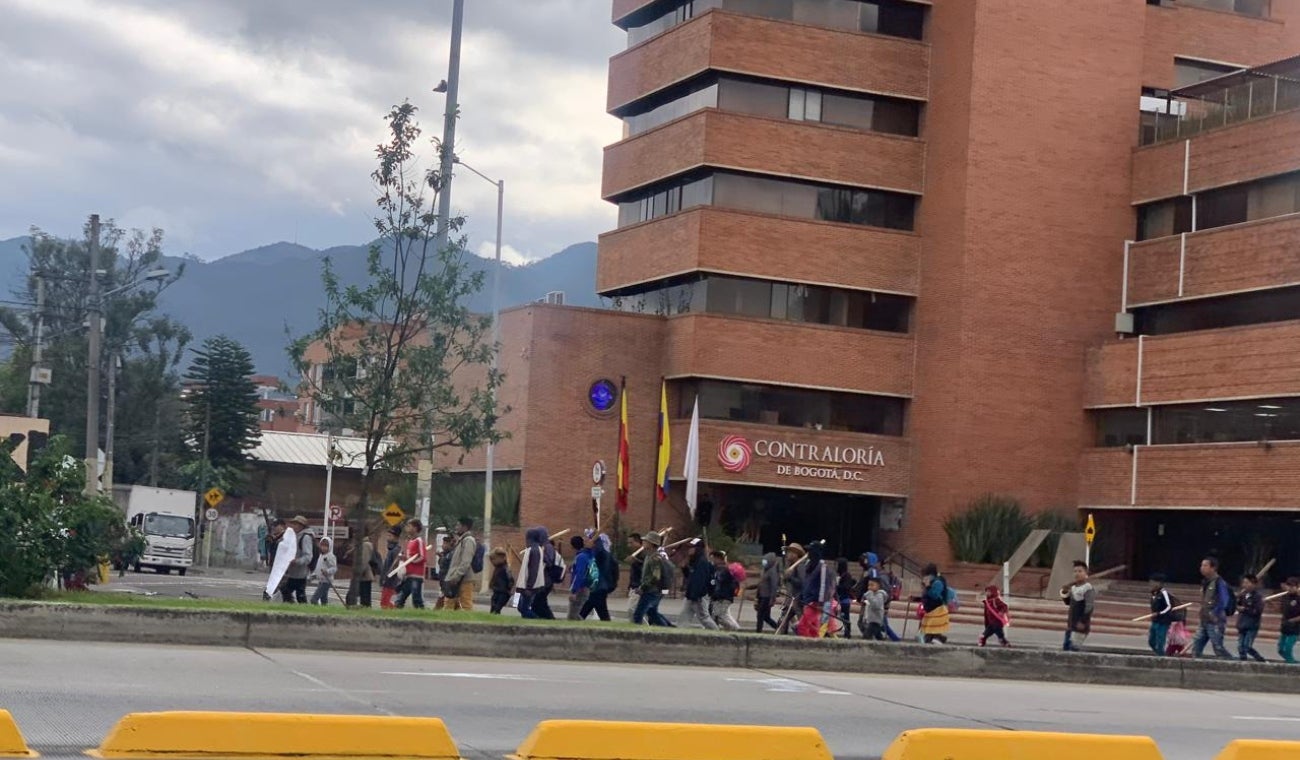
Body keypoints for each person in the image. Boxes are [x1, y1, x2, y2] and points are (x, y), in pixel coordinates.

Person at [1191, 556, 1233, 659]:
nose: (1202, 568)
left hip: (1215, 620)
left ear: (1213, 568)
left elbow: (1224, 600)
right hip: (1204, 619)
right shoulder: (1205, 582)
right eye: (1202, 565)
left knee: (1218, 647)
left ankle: (1232, 663)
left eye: (1205, 565)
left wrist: (1215, 612)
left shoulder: (1219, 583)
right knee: (1196, 646)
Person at [796, 543, 838, 638]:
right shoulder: (809, 566)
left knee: (803, 625)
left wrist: (821, 602)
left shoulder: (822, 567)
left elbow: (824, 585)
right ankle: (815, 642)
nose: (808, 554)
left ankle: (812, 643)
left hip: (816, 602)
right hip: (809, 599)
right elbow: (806, 583)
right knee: (810, 627)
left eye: (810, 551)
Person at [633, 531, 673, 627]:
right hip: (651, 590)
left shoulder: (655, 558)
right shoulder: (649, 556)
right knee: (652, 613)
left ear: (651, 543)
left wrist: (642, 587)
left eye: (645, 541)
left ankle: (636, 634)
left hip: (651, 591)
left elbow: (655, 576)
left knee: (638, 614)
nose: (643, 542)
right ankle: (668, 628)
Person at [580, 533, 619, 621]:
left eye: (587, 540)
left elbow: (598, 551)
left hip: (600, 585)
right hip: (598, 586)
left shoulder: (601, 554)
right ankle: (579, 619)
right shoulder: (596, 553)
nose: (585, 542)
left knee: (593, 607)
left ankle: (578, 620)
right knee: (599, 609)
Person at [445, 517, 479, 611]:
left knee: (466, 606)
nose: (456, 527)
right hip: (457, 578)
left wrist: (456, 576)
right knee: (450, 604)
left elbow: (466, 562)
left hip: (464, 579)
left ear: (464, 527)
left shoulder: (468, 540)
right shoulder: (461, 540)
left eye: (458, 525)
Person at [682, 542, 718, 629]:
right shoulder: (695, 562)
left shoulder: (702, 563)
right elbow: (690, 577)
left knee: (704, 617)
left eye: (692, 547)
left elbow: (699, 580)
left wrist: (695, 595)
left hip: (698, 595)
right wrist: (685, 569)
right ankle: (680, 632)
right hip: (692, 594)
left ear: (698, 549)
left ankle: (717, 632)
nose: (689, 549)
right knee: (684, 616)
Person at [394, 520, 428, 610]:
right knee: (400, 597)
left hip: (416, 575)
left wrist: (411, 561)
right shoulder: (409, 541)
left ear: (415, 528)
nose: (407, 528)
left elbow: (423, 557)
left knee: (416, 599)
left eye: (409, 526)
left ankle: (421, 614)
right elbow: (409, 556)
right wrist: (404, 558)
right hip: (408, 575)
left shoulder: (419, 541)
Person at [516, 527, 549, 619]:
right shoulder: (535, 549)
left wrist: (529, 587)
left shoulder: (533, 550)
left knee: (523, 608)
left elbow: (533, 569)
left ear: (529, 539)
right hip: (528, 585)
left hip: (530, 586)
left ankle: (538, 620)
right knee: (521, 607)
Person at [1061, 561, 1094, 651]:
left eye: (1080, 571)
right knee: (1066, 648)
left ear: (1086, 573)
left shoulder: (1088, 588)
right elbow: (1068, 603)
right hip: (1071, 625)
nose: (1077, 574)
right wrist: (1064, 592)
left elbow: (1089, 606)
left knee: (1073, 649)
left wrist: (1083, 621)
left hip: (1080, 626)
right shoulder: (1073, 588)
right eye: (1075, 571)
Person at [282, 515, 315, 604]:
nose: (293, 526)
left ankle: (301, 611)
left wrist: (297, 561)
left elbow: (308, 556)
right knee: (287, 591)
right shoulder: (295, 536)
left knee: (297, 594)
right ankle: (294, 608)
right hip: (294, 572)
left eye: (295, 524)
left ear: (301, 525)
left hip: (301, 573)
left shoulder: (305, 537)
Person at [777, 543, 807, 634]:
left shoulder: (800, 566)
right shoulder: (791, 567)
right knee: (783, 620)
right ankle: (781, 637)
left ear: (795, 554)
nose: (788, 554)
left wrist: (790, 578)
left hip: (798, 600)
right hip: (790, 600)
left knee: (803, 623)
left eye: (790, 552)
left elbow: (802, 583)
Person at [1236, 573, 1266, 663]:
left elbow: (1257, 611)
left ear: (1253, 584)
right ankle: (1243, 662)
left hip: (1252, 625)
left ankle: (1260, 659)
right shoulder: (1243, 595)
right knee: (1240, 647)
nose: (1244, 585)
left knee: (1247, 646)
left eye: (1247, 582)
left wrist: (1245, 609)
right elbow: (1237, 605)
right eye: (1244, 583)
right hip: (1242, 624)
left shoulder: (1258, 597)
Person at [918, 563, 950, 644]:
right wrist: (916, 598)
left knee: (932, 631)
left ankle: (938, 639)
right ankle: (939, 638)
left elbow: (934, 595)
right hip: (930, 610)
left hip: (937, 610)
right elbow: (927, 596)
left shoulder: (938, 582)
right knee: (929, 632)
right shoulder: (932, 582)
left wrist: (928, 586)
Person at [709, 550, 740, 631]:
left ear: (719, 559)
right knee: (721, 615)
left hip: (722, 597)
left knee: (720, 616)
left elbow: (719, 583)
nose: (713, 560)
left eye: (714, 558)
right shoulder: (720, 569)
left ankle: (735, 628)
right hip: (721, 596)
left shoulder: (723, 570)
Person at [567, 534, 595, 621]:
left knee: (573, 616)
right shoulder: (587, 555)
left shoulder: (581, 557)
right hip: (585, 587)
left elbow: (579, 575)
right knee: (576, 614)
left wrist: (574, 591)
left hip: (580, 589)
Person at [1147, 574, 1176, 655]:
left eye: (1153, 583)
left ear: (1159, 583)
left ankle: (1161, 657)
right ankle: (1160, 654)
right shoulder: (1153, 594)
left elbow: (1169, 606)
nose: (1151, 584)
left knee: (1160, 642)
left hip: (1163, 622)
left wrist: (1159, 613)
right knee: (1151, 642)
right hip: (1155, 621)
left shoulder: (1164, 593)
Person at [755, 552, 781, 633]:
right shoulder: (764, 570)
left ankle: (758, 632)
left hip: (767, 597)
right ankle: (779, 628)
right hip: (761, 595)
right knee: (766, 617)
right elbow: (760, 583)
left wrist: (772, 598)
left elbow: (774, 586)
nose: (764, 562)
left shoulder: (772, 571)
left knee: (760, 615)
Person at [379, 526, 403, 609]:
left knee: (384, 603)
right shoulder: (391, 550)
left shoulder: (396, 550)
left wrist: (388, 577)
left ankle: (394, 612)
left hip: (391, 581)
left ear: (396, 537)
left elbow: (395, 566)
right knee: (384, 602)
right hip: (387, 580)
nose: (388, 538)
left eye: (390, 536)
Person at [309, 537, 337, 605]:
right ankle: (324, 611)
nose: (324, 548)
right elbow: (318, 567)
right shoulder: (321, 556)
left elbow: (334, 568)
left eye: (326, 546)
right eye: (322, 546)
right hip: (321, 580)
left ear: (329, 546)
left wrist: (327, 571)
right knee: (323, 599)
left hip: (326, 581)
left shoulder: (330, 556)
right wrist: (314, 575)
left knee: (314, 599)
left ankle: (317, 611)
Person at [860, 576, 887, 641]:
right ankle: (882, 645)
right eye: (869, 585)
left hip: (875, 620)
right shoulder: (872, 594)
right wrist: (865, 601)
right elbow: (870, 604)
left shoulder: (879, 595)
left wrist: (869, 596)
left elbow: (876, 605)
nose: (870, 587)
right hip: (871, 619)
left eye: (872, 585)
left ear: (878, 586)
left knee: (867, 636)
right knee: (878, 636)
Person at [1280, 577, 1300, 664]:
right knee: (1281, 649)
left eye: (1293, 586)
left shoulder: (1299, 598)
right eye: (1289, 586)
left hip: (1295, 627)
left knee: (1288, 648)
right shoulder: (1284, 597)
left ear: (1297, 587)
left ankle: (1292, 664)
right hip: (1285, 626)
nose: (1291, 588)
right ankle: (1290, 661)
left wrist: (1294, 620)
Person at [488, 547, 513, 614]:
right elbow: (494, 577)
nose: (492, 562)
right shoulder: (497, 568)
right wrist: (491, 584)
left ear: (502, 558)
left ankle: (496, 613)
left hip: (503, 592)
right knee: (493, 605)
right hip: (497, 590)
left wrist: (509, 588)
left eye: (494, 559)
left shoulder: (505, 568)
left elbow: (510, 579)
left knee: (497, 607)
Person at [626, 533, 644, 623]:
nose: (629, 545)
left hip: (640, 587)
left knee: (632, 610)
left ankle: (644, 628)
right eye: (628, 543)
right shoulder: (635, 554)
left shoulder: (643, 554)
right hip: (634, 586)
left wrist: (635, 562)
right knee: (635, 611)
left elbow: (645, 570)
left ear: (638, 542)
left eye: (631, 543)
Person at [835, 558, 855, 639]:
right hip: (841, 599)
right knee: (843, 617)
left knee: (845, 617)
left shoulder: (847, 575)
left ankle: (847, 633)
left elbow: (846, 587)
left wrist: (837, 587)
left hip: (845, 600)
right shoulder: (841, 575)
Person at [356, 535, 377, 608]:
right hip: (364, 575)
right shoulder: (363, 544)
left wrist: (359, 572)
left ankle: (365, 610)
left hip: (365, 575)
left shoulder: (365, 545)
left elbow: (364, 560)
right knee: (364, 597)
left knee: (365, 598)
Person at [434, 535, 455, 609]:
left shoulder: (451, 554)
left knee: (445, 600)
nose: (443, 546)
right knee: (442, 599)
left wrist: (442, 557)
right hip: (443, 581)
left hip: (447, 581)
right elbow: (442, 565)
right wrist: (440, 557)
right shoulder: (444, 554)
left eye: (446, 543)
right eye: (443, 543)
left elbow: (448, 566)